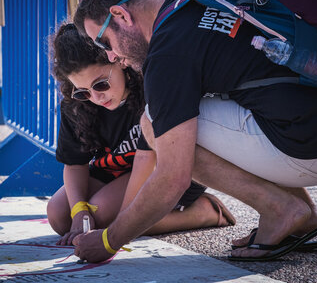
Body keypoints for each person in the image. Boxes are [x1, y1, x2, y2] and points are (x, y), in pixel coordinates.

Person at [71, 0, 317, 262]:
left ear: (121, 15)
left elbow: (172, 179)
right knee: (226, 91)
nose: (111, 57)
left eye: (104, 42)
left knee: (153, 123)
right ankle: (304, 216)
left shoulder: (168, 52)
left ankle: (279, 208)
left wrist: (109, 240)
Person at [46, 23, 235, 246]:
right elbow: (74, 163)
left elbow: (149, 159)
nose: (96, 98)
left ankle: (203, 212)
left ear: (118, 60)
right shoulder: (76, 104)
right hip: (118, 171)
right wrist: (79, 210)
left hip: (162, 167)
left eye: (101, 84)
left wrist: (121, 225)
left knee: (103, 217)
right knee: (60, 217)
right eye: (83, 91)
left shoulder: (150, 85)